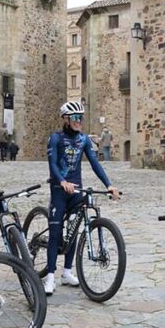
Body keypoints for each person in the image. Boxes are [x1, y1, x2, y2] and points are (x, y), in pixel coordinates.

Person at [43, 100, 120, 295]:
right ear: (66, 119)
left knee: (74, 230)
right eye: (75, 117)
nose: (79, 121)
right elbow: (53, 164)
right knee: (55, 233)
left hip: (76, 190)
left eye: (81, 117)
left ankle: (67, 272)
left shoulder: (84, 139)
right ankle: (50, 276)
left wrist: (109, 185)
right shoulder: (56, 138)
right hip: (60, 190)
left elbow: (94, 163)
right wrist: (62, 181)